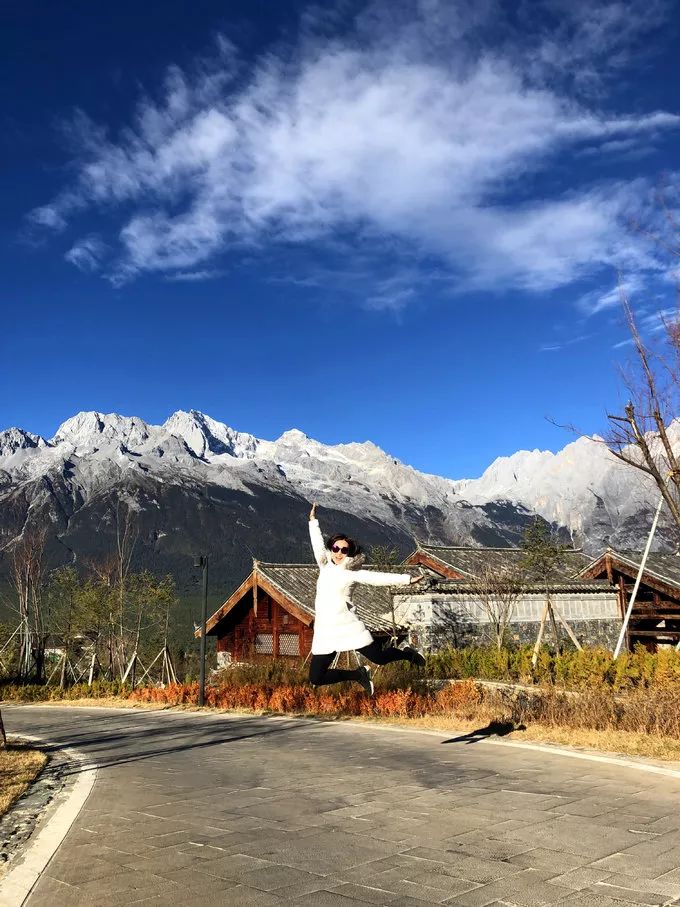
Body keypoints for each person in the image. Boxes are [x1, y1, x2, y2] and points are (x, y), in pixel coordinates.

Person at [308, 502, 426, 695]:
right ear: (331, 548)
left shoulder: (353, 573)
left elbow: (377, 578)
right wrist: (313, 521)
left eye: (344, 550)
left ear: (350, 553)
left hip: (347, 625)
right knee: (316, 678)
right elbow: (317, 545)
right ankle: (358, 675)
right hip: (324, 631)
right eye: (336, 548)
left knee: (379, 658)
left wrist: (407, 580)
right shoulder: (324, 565)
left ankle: (407, 654)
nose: (339, 553)